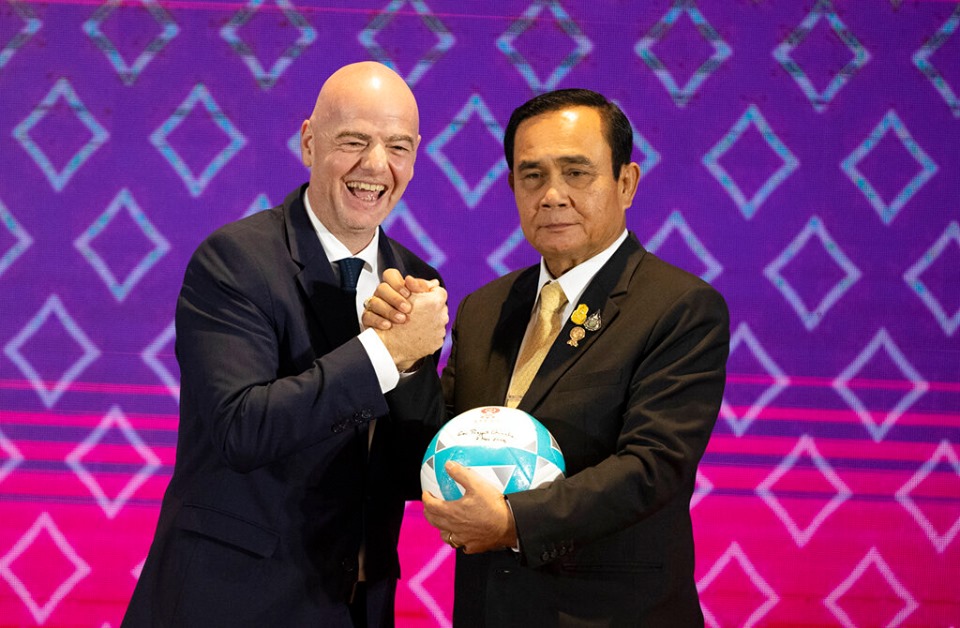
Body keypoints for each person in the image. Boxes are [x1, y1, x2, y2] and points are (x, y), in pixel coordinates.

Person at [364, 88, 729, 626]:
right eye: (532, 176)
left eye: (577, 173)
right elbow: (435, 449)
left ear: (626, 183)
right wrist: (405, 360)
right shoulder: (485, 308)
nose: (553, 195)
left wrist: (513, 521)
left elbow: (652, 468)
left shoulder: (680, 307)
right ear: (512, 187)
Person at [122, 61, 448, 628]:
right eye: (354, 141)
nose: (377, 165)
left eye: (398, 147)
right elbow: (242, 429)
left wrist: (415, 369)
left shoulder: (416, 282)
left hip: (356, 607)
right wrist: (385, 354)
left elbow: (405, 471)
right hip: (230, 602)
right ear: (309, 143)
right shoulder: (236, 261)